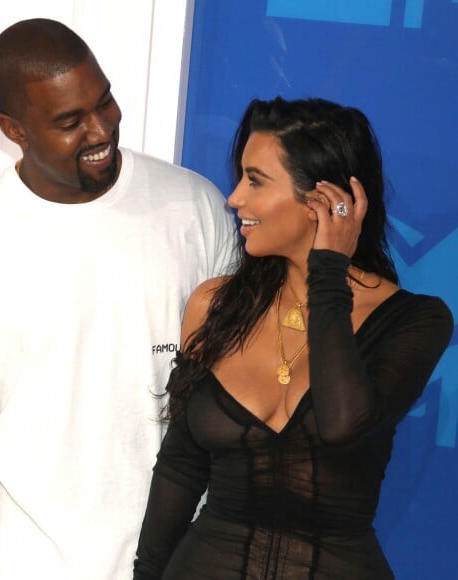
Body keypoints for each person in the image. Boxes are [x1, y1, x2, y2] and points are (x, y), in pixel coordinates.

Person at [0, 18, 238, 580]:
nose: (100, 130)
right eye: (69, 121)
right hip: (30, 563)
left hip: (185, 559)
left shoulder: (195, 209)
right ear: (13, 129)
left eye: (104, 103)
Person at [133, 96, 454, 579]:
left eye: (255, 181)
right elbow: (180, 468)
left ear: (324, 201)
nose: (234, 198)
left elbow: (342, 424)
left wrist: (328, 272)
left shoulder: (415, 321)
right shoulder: (214, 306)